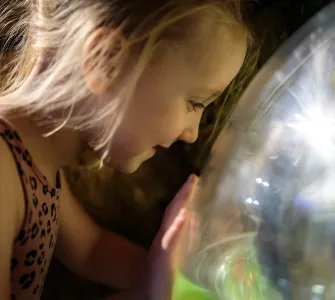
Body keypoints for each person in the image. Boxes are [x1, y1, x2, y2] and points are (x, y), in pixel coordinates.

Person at [0, 0, 251, 299]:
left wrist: (181, 272)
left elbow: (92, 250)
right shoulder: (4, 169)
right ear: (106, 60)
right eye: (194, 103)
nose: (192, 134)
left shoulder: (34, 161)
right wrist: (144, 293)